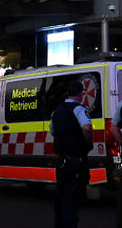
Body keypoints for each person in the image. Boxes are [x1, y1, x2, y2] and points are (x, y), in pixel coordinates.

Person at [50, 79, 93, 228]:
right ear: (81, 94)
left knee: (60, 198)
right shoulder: (79, 109)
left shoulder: (57, 110)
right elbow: (86, 128)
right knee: (72, 200)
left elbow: (53, 131)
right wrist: (88, 142)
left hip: (61, 161)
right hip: (76, 161)